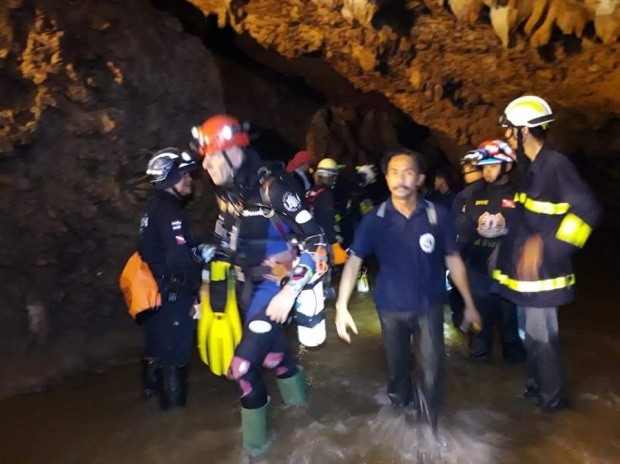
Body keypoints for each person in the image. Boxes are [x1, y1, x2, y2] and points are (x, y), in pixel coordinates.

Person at [191, 115, 328, 455]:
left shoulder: (274, 187)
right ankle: (307, 422)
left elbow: (318, 243)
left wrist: (290, 290)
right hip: (245, 288)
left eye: (209, 156)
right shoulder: (228, 194)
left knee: (240, 368)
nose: (204, 165)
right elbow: (221, 246)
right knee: (274, 360)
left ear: (232, 152)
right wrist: (206, 291)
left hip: (275, 288)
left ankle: (256, 452)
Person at [334, 148, 481, 431]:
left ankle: (431, 428)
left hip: (429, 305)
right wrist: (341, 306)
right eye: (394, 172)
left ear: (420, 178)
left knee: (433, 369)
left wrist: (470, 304)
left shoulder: (437, 216)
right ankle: (400, 419)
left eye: (408, 172)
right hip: (390, 308)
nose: (401, 179)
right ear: (387, 179)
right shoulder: (374, 219)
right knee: (397, 370)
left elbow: (453, 258)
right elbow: (354, 261)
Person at [494, 95, 601, 411]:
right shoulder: (530, 168)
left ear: (524, 130)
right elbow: (531, 215)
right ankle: (538, 386)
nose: (506, 136)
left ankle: (553, 407)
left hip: (546, 275)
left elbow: (587, 211)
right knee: (531, 339)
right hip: (528, 276)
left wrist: (549, 248)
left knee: (543, 341)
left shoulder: (555, 164)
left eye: (509, 130)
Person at [138, 148, 202, 410]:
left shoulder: (151, 208)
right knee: (175, 356)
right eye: (185, 174)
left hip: (154, 295)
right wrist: (194, 293)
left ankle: (151, 398)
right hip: (172, 295)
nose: (190, 180)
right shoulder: (170, 212)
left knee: (156, 349)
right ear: (171, 177)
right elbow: (178, 259)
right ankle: (173, 416)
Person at [457, 140, 525, 363]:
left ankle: (514, 375)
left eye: (493, 165)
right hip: (478, 271)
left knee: (510, 328)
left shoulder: (520, 195)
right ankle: (479, 376)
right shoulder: (474, 195)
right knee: (479, 328)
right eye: (484, 166)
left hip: (509, 273)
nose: (487, 171)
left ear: (506, 166)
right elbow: (465, 233)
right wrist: (454, 260)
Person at [448, 153, 485, 328]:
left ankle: (468, 329)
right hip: (495, 257)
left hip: (470, 255)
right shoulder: (498, 191)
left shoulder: (465, 195)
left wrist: (454, 253)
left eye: (466, 169)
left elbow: (459, 226)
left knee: (461, 289)